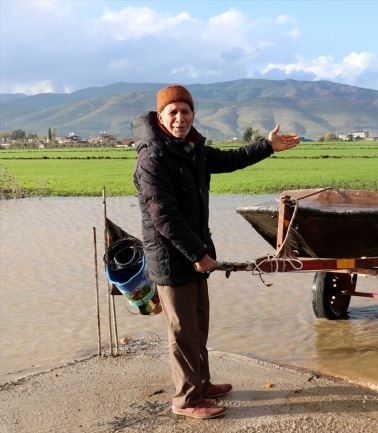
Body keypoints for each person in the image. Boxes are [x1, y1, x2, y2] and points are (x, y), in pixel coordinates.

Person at [132, 85, 299, 419]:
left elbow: (231, 159)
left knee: (197, 324)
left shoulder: (192, 149)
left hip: (194, 256)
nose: (180, 118)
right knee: (181, 332)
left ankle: (201, 382)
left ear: (194, 114)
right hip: (172, 257)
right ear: (161, 116)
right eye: (173, 112)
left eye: (186, 111)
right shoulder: (154, 156)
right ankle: (186, 400)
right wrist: (198, 253)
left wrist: (268, 146)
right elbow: (163, 216)